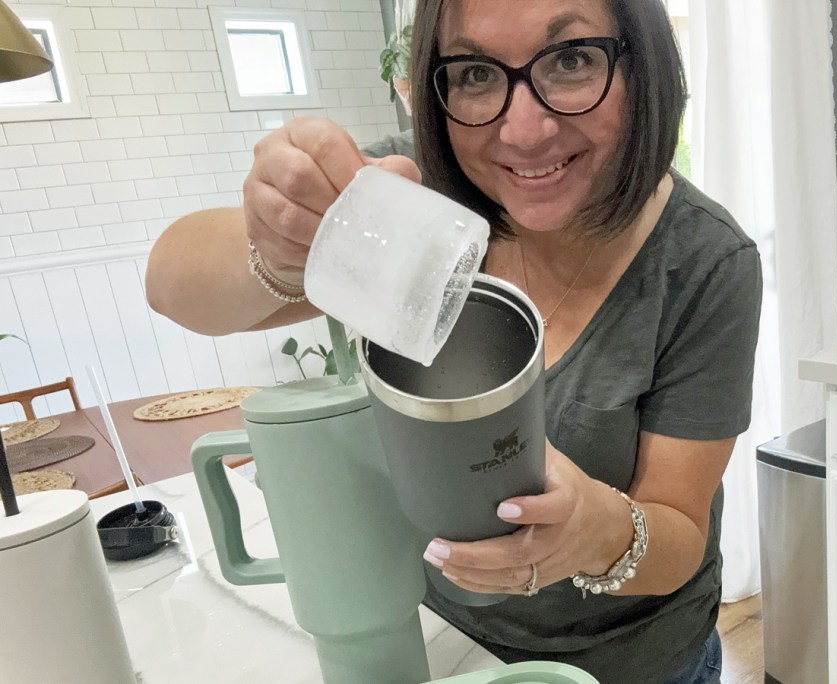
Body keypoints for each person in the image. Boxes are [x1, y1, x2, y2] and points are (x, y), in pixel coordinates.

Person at [146, 0, 762, 681]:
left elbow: (678, 532)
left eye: (571, 59)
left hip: (640, 664)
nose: (523, 131)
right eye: (474, 73)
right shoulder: (420, 204)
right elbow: (172, 281)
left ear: (643, 65)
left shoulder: (703, 262)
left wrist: (598, 530)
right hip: (451, 647)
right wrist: (276, 244)